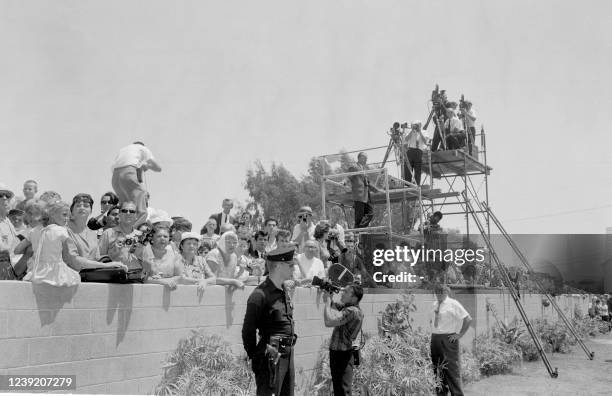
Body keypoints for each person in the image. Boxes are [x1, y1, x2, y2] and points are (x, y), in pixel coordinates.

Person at [242, 247, 298, 396]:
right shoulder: (260, 295)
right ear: (279, 266)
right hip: (271, 356)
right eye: (290, 265)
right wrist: (256, 357)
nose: (294, 268)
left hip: (287, 354)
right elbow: (248, 330)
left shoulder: (283, 291)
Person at [430, 284, 472, 396]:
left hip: (448, 340)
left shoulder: (453, 304)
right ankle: (441, 393)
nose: (438, 295)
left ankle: (457, 394)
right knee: (438, 369)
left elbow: (468, 319)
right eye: (437, 292)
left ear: (446, 292)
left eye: (441, 292)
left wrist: (459, 334)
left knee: (452, 370)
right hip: (435, 339)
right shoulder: (434, 304)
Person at [323, 283, 364, 396]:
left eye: (346, 292)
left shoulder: (352, 311)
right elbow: (334, 305)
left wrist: (327, 302)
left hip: (342, 355)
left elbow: (329, 322)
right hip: (340, 354)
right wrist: (329, 295)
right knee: (339, 389)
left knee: (342, 390)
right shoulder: (349, 308)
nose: (342, 293)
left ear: (354, 298)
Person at [111, 142, 162, 224]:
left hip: (115, 178)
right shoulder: (142, 148)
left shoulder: (123, 150)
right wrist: (147, 166)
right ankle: (134, 230)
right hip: (128, 173)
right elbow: (158, 168)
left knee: (125, 206)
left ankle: (122, 227)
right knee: (141, 208)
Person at [98, 201, 144, 270]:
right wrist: (114, 253)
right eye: (124, 211)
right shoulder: (108, 233)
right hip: (114, 277)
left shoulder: (142, 236)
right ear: (119, 214)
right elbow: (98, 258)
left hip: (136, 278)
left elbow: (149, 262)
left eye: (131, 211)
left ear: (136, 216)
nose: (128, 213)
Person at [346, 152, 380, 229]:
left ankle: (358, 228)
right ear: (359, 158)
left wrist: (376, 190)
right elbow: (349, 177)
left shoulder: (364, 170)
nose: (366, 160)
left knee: (370, 213)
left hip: (366, 196)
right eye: (365, 158)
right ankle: (358, 230)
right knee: (359, 217)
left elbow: (368, 183)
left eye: (366, 158)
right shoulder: (354, 167)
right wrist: (344, 182)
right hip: (359, 195)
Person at [0, 183, 21, 270]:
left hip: (11, 265)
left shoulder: (7, 220)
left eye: (7, 195)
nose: (4, 198)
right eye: (0, 195)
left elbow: (16, 242)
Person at [402, 121, 428, 186]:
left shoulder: (424, 132)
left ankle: (417, 185)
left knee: (417, 169)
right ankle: (407, 184)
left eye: (417, 125)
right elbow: (406, 139)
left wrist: (420, 132)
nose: (416, 126)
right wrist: (412, 131)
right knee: (407, 168)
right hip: (410, 150)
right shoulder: (410, 132)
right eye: (415, 125)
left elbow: (425, 142)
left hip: (419, 151)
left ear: (420, 126)